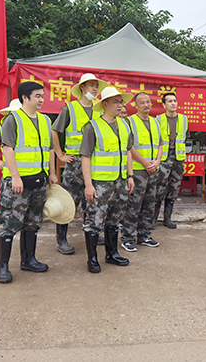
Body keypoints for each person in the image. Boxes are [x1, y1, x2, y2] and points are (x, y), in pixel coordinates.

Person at [0, 81, 58, 284]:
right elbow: (7, 149)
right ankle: (3, 267)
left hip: (39, 181)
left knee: (33, 223)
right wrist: (15, 177)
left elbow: (49, 149)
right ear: (25, 97)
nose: (41, 99)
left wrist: (51, 173)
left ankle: (28, 260)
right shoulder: (12, 120)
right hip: (18, 183)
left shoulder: (45, 120)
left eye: (42, 96)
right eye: (37, 96)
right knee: (10, 224)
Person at [80, 87, 135, 273]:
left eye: (121, 102)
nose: (120, 105)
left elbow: (127, 152)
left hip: (120, 182)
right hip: (100, 184)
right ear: (104, 105)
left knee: (115, 219)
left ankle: (112, 254)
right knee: (94, 222)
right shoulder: (92, 127)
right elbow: (85, 157)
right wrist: (88, 185)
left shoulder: (125, 125)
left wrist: (130, 176)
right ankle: (92, 259)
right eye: (115, 102)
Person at [51, 73, 107, 255]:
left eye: (96, 86)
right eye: (91, 85)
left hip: (94, 164)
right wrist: (60, 154)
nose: (95, 89)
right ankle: (61, 240)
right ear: (82, 87)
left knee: (92, 202)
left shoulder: (100, 110)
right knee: (68, 203)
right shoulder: (70, 108)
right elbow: (54, 130)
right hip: (74, 165)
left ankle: (91, 233)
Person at [120, 92, 163, 252]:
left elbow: (160, 144)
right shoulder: (129, 122)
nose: (146, 105)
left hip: (153, 171)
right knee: (133, 206)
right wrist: (145, 162)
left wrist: (157, 162)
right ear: (136, 105)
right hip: (138, 171)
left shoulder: (155, 121)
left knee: (149, 205)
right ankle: (127, 238)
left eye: (148, 102)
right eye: (142, 102)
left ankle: (145, 236)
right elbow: (129, 147)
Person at [154, 92, 189, 229]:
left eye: (174, 100)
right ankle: (153, 219)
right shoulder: (158, 119)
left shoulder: (184, 119)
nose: (173, 103)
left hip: (178, 158)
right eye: (170, 101)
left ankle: (167, 218)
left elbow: (185, 138)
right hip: (163, 159)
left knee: (174, 189)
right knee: (159, 188)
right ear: (164, 105)